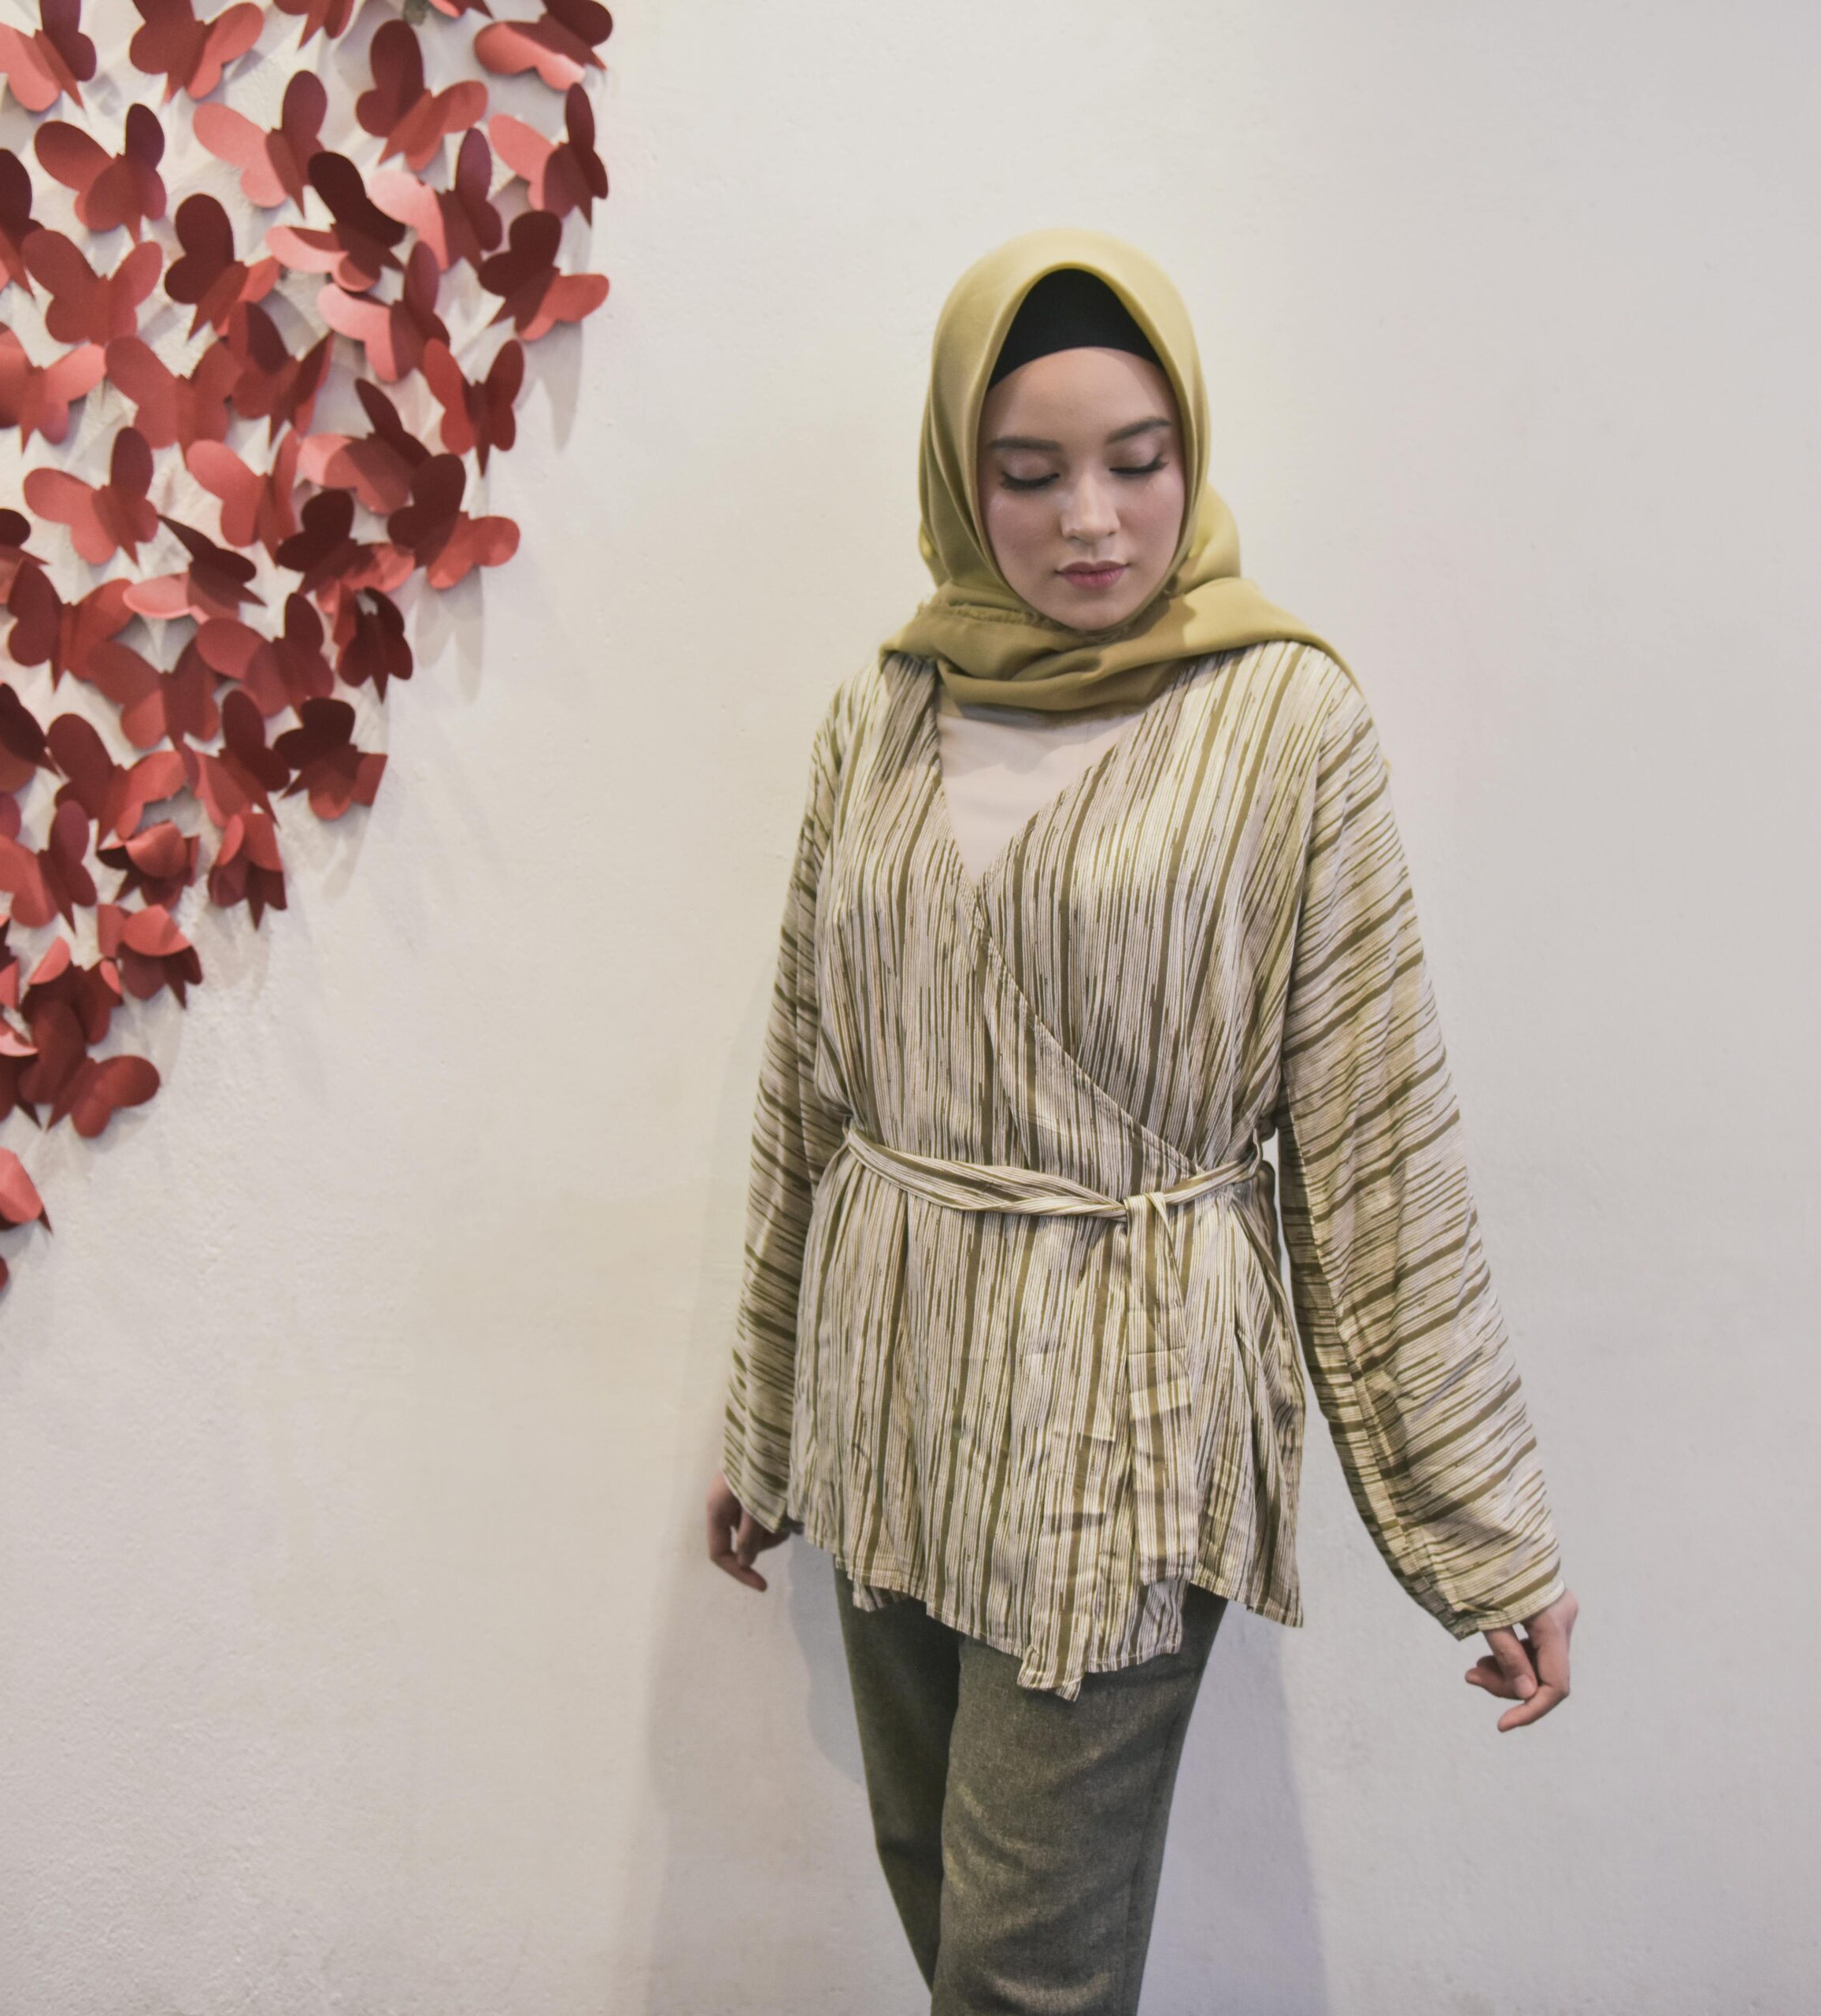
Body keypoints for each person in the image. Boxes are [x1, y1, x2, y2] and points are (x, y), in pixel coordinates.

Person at [704, 226, 1579, 2014]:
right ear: (960, 477)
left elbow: (1372, 1145)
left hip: (1119, 1401)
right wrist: (761, 1405)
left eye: (1137, 459)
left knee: (1029, 1967)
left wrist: (1479, 1530)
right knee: (934, 1895)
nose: (1091, 518)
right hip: (886, 1391)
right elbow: (809, 1087)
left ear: (1193, 456)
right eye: (1028, 474)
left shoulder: (1281, 723)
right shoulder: (880, 712)